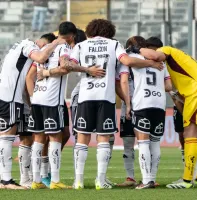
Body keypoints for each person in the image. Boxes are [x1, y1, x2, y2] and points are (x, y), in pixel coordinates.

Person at [67, 19, 164, 190]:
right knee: (103, 139)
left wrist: (87, 70)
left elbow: (68, 65)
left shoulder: (81, 46)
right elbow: (127, 61)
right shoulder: (113, 44)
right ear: (109, 31)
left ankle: (78, 181)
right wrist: (151, 63)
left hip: (85, 96)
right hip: (106, 97)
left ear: (90, 30)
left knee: (82, 138)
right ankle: (100, 180)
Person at [28, 22, 105, 190]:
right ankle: (55, 180)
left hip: (37, 97)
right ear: (71, 36)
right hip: (51, 99)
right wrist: (88, 69)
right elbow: (65, 66)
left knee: (39, 139)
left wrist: (45, 73)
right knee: (55, 138)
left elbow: (36, 70)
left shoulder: (46, 47)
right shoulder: (64, 48)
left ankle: (36, 180)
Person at [0, 34, 66, 189]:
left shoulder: (20, 48)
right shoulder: (28, 45)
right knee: (6, 136)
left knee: (26, 138)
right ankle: (6, 180)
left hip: (19, 99)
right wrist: (55, 43)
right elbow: (42, 57)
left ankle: (24, 179)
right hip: (9, 96)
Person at [139, 41, 197, 189]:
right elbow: (177, 97)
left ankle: (186, 181)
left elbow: (156, 55)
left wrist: (138, 49)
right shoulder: (176, 67)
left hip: (196, 92)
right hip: (194, 93)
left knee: (190, 134)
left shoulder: (165, 50)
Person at [120, 36, 172, 189]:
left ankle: (146, 180)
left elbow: (126, 64)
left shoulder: (134, 57)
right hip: (159, 103)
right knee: (155, 142)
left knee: (143, 141)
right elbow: (168, 86)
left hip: (142, 102)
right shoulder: (161, 63)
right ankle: (152, 178)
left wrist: (128, 105)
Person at [116, 36, 145, 187]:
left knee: (133, 143)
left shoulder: (127, 62)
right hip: (140, 104)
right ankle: (138, 177)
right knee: (142, 142)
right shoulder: (144, 61)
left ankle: (137, 177)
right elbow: (120, 83)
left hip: (135, 104)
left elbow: (120, 83)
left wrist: (127, 102)